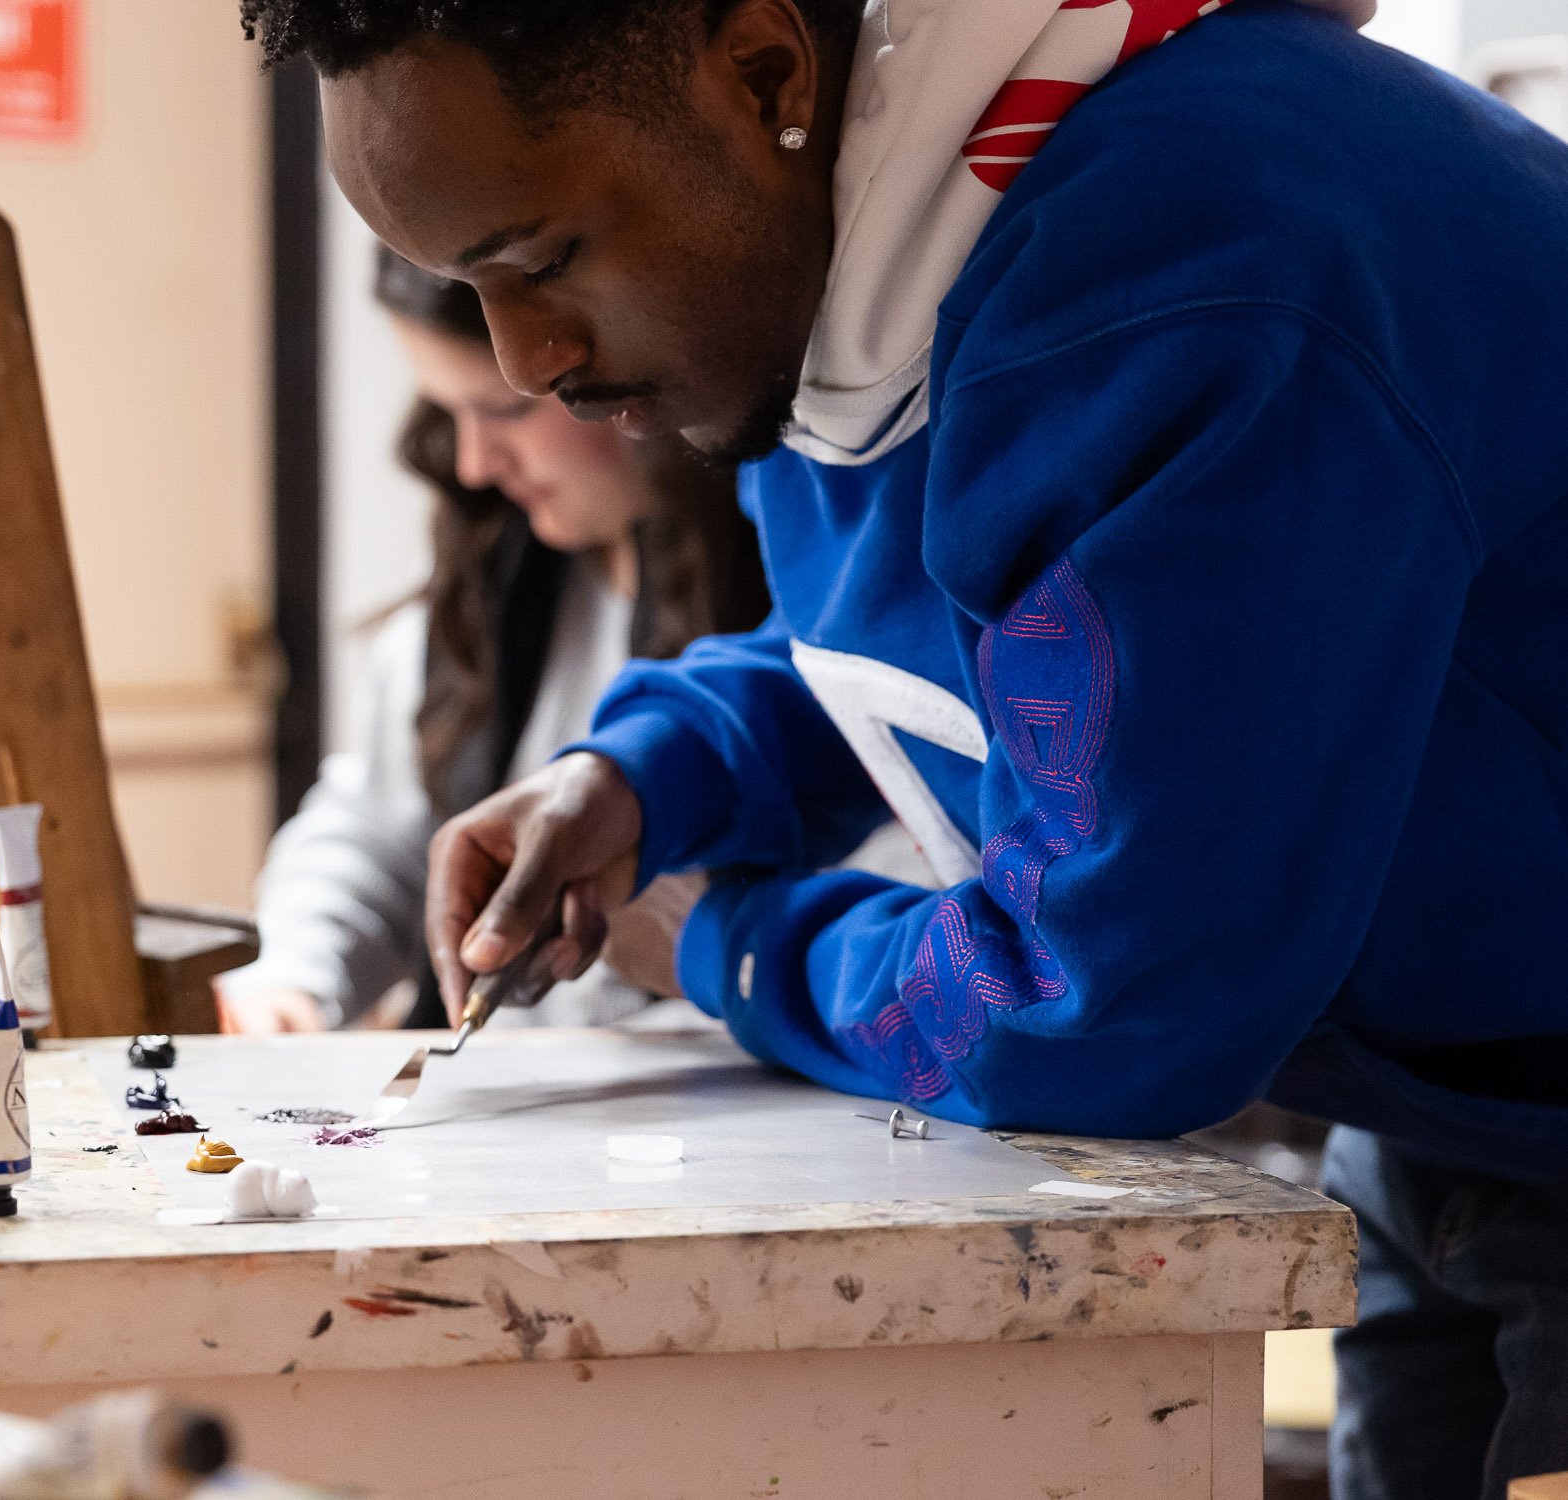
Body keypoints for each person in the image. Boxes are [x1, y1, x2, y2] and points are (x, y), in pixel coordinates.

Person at [239, 2, 1568, 1495]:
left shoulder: (1187, 274)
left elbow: (1100, 1007)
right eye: (469, 288)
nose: (529, 357)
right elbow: (991, 632)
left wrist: (728, 949)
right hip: (1437, 1113)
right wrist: (654, 771)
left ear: (760, 77)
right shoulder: (903, 247)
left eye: (541, 261)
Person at [218, 245, 780, 1033]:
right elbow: (380, 832)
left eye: (505, 409)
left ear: (636, 374)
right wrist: (296, 979)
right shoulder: (482, 583)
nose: (476, 463)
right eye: (446, 414)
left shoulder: (790, 616)